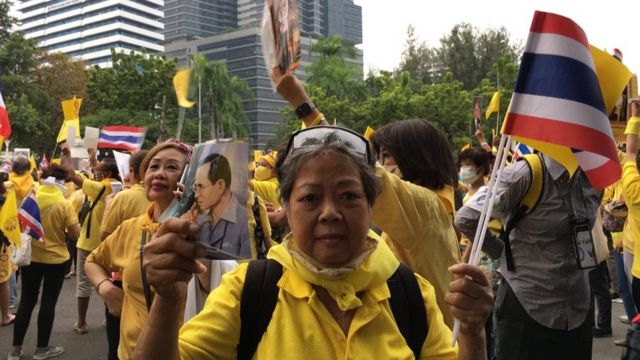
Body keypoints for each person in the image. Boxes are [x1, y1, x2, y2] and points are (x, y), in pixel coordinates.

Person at [134, 126, 493, 359]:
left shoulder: (411, 294)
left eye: (349, 196)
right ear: (285, 209)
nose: (329, 213)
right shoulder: (249, 291)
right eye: (309, 198)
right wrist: (168, 300)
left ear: (371, 207)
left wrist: (473, 333)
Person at [275, 70, 461, 327]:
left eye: (386, 154)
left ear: (417, 157)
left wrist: (304, 107)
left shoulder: (426, 208)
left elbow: (361, 170)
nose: (380, 163)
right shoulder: (428, 209)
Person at [456, 150, 600, 358]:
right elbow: (466, 218)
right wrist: (500, 250)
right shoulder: (523, 174)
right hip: (526, 306)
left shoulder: (594, 175)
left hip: (579, 305)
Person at [84, 140, 192, 360]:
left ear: (190, 178)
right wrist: (106, 289)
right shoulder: (130, 228)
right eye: (153, 167)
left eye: (172, 167)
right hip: (130, 352)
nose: (160, 174)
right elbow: (92, 261)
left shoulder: (204, 231)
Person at [8, 165, 81, 360]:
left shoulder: (30, 197)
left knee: (26, 302)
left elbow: (18, 221)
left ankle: (15, 350)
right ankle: (42, 349)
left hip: (31, 258)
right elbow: (76, 235)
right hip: (56, 260)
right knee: (48, 303)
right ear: (62, 182)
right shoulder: (64, 203)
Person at [61, 146, 121, 334]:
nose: (94, 173)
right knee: (109, 281)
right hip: (109, 244)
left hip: (89, 244)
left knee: (84, 283)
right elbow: (97, 173)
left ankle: (81, 322)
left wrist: (67, 155)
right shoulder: (118, 186)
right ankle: (109, 317)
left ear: (107, 173)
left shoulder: (101, 188)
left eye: (98, 171)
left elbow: (71, 174)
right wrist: (94, 160)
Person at [97, 150, 149, 360]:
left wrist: (110, 207)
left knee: (119, 340)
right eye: (155, 167)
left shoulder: (124, 197)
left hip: (123, 277)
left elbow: (104, 236)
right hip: (125, 282)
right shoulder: (131, 226)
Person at [192, 153, 250, 259]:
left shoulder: (246, 222)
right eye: (195, 187)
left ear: (220, 186)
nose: (196, 195)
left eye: (201, 187)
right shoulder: (198, 220)